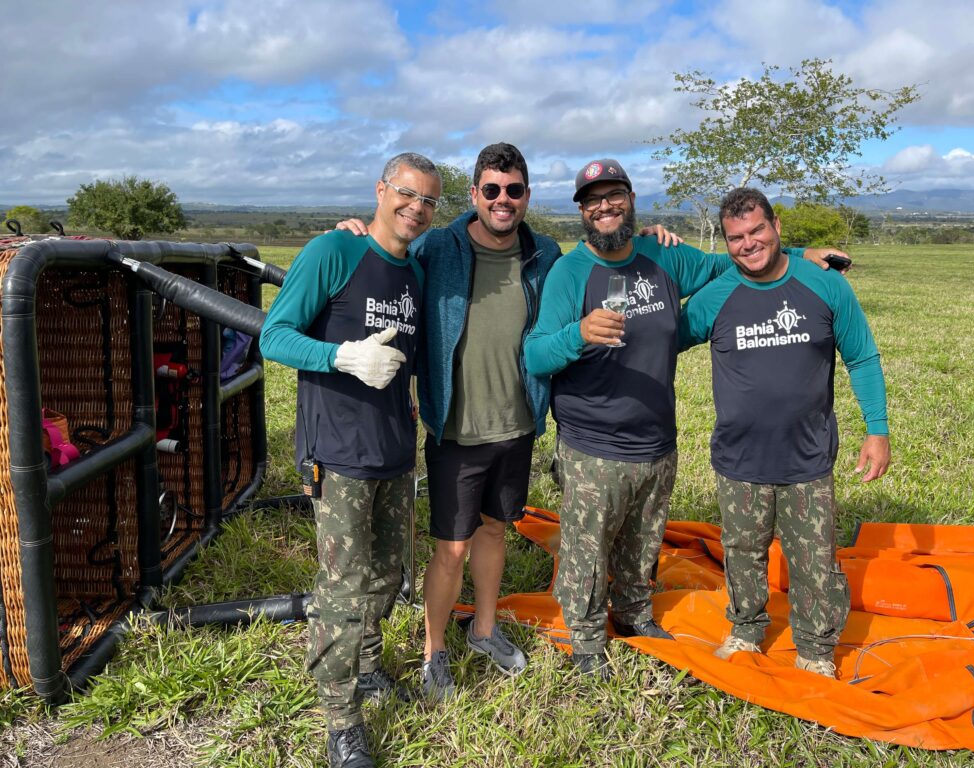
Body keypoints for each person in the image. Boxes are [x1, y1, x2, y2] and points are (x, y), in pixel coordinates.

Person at [336, 143, 683, 699]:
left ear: (526, 197)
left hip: (519, 422)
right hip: (456, 425)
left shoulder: (543, 253)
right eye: (491, 190)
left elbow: (601, 256)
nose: (502, 200)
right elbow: (389, 251)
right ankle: (434, 651)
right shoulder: (436, 247)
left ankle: (485, 630)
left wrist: (653, 239)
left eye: (514, 190)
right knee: (451, 546)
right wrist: (357, 233)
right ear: (474, 195)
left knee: (495, 529)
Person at [523, 159, 844, 677]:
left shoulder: (661, 256)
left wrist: (801, 255)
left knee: (644, 540)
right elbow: (535, 356)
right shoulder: (571, 271)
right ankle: (585, 640)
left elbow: (739, 264)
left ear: (631, 199)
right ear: (582, 211)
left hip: (656, 436)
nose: (604, 206)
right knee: (587, 545)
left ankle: (632, 614)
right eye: (592, 200)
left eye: (614, 195)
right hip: (592, 441)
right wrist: (578, 333)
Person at [260, 152, 440, 768]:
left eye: (428, 201)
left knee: (387, 576)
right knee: (342, 588)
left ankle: (367, 668)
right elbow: (274, 334)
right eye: (406, 194)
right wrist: (341, 356)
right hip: (337, 452)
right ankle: (342, 722)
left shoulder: (413, 270)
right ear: (381, 190)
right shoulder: (332, 252)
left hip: (393, 449)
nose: (415, 208)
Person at [677, 187, 890, 679]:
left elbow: (861, 356)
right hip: (739, 458)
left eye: (757, 230)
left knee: (815, 562)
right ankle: (747, 628)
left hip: (808, 458)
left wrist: (877, 431)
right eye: (736, 238)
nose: (748, 243)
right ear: (726, 242)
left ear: (776, 226)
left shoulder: (825, 285)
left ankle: (815, 649)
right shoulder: (716, 296)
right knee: (743, 553)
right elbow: (661, 341)